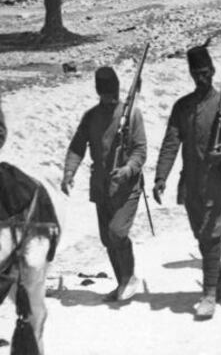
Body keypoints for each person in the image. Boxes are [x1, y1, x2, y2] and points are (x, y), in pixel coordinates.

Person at [153, 42, 221, 319]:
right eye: (196, 72)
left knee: (211, 235)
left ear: (214, 70)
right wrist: (161, 176)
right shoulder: (182, 107)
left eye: (206, 72)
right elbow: (171, 143)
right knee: (202, 237)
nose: (202, 77)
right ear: (190, 73)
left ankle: (208, 294)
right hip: (193, 184)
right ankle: (218, 282)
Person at [61, 66, 146, 303]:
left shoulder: (131, 114)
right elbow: (78, 146)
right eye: (105, 94)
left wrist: (128, 168)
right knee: (107, 239)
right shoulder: (91, 116)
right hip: (101, 186)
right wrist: (69, 171)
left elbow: (140, 150)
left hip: (127, 187)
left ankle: (129, 278)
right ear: (99, 92)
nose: (109, 99)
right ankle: (122, 284)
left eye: (112, 93)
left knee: (117, 232)